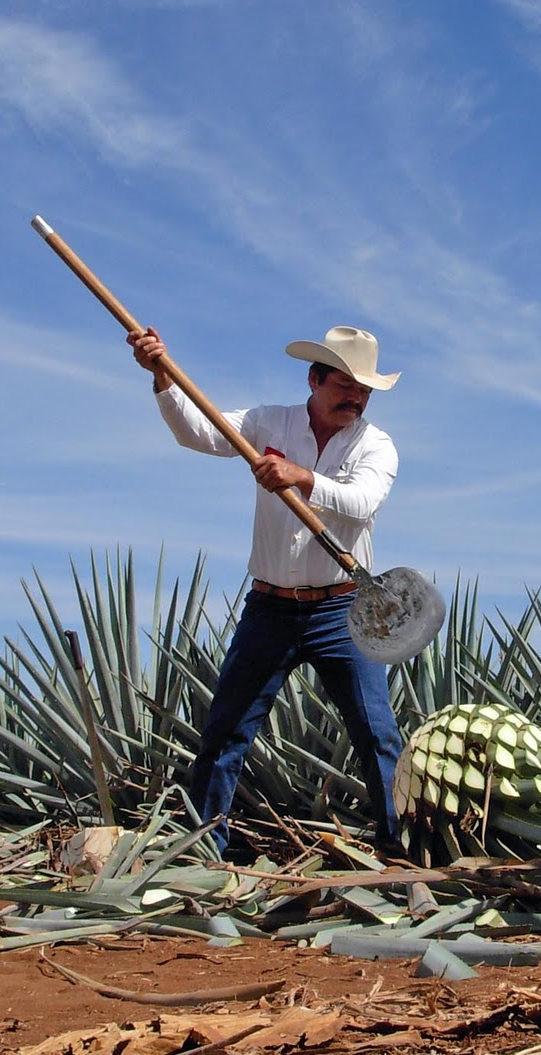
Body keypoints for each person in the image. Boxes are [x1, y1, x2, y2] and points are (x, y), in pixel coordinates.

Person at [128, 323, 407, 859]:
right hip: (270, 608)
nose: (355, 397)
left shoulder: (377, 445)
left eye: (363, 389)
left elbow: (362, 503)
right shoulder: (266, 421)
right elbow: (199, 433)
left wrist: (300, 478)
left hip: (344, 607)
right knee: (227, 730)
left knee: (376, 736)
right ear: (314, 378)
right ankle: (206, 850)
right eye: (344, 384)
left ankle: (399, 849)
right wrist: (163, 376)